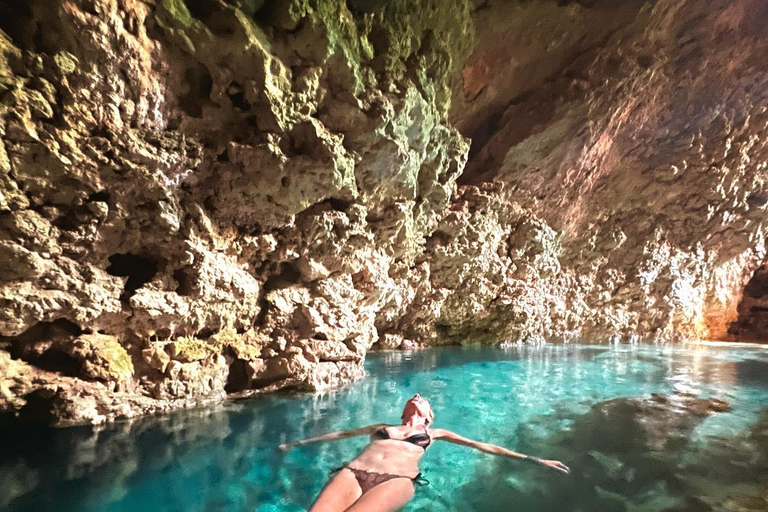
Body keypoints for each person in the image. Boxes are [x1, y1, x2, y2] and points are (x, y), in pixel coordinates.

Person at [279, 393, 570, 512]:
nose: (417, 396)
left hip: (395, 480)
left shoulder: (435, 433)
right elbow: (341, 434)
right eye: (414, 396)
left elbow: (484, 446)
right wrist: (298, 444)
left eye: (424, 399)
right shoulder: (382, 426)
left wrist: (534, 459)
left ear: (429, 415)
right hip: (353, 472)